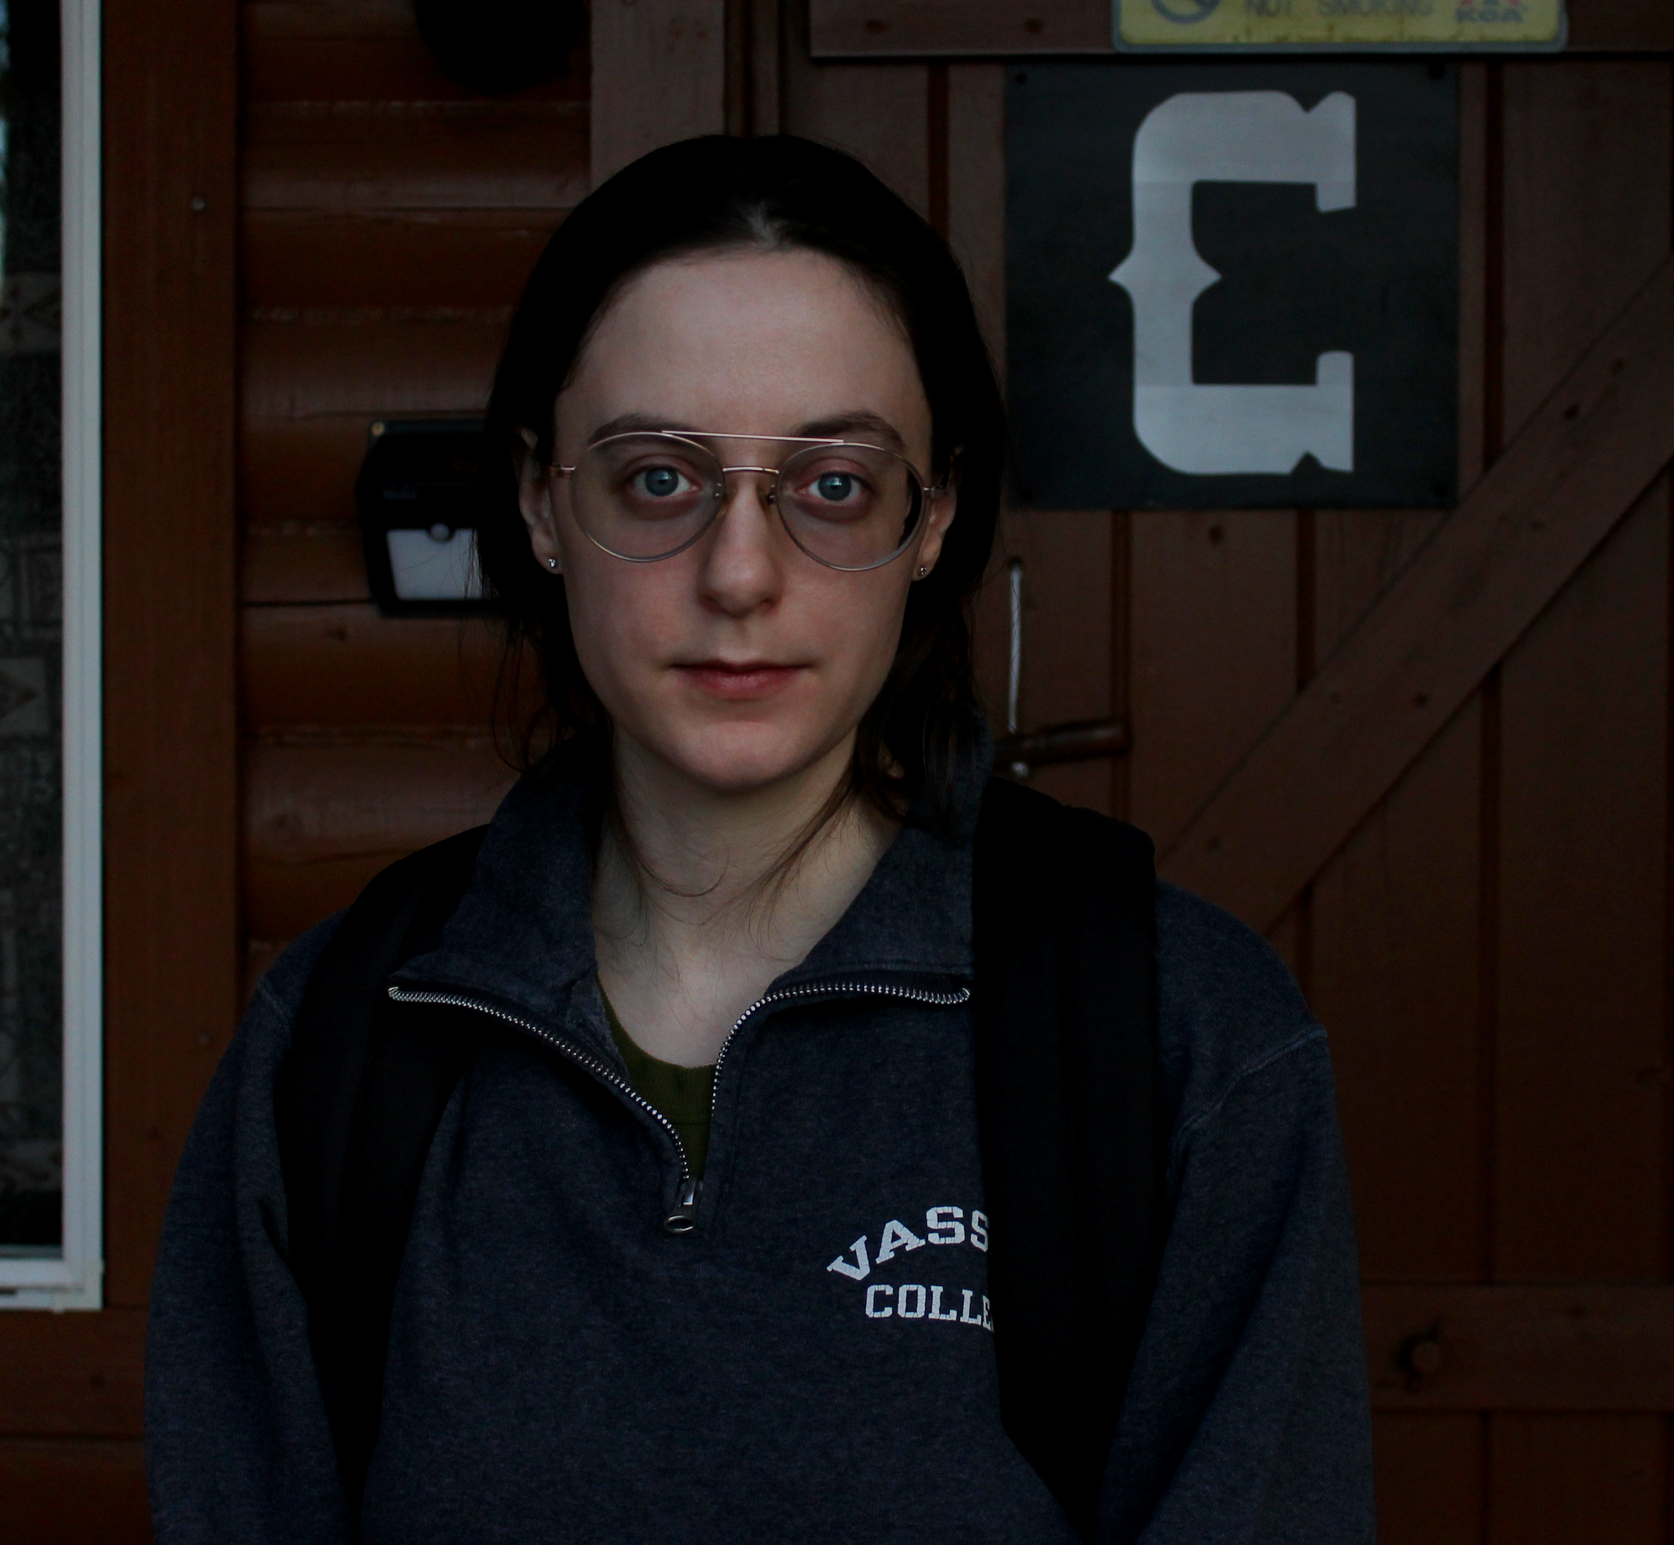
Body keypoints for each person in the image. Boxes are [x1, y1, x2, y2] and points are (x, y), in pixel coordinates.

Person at [145, 134, 1374, 1544]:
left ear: (936, 514)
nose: (742, 574)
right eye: (658, 479)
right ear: (544, 501)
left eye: (834, 484)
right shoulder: (343, 1047)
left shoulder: (1175, 1041)